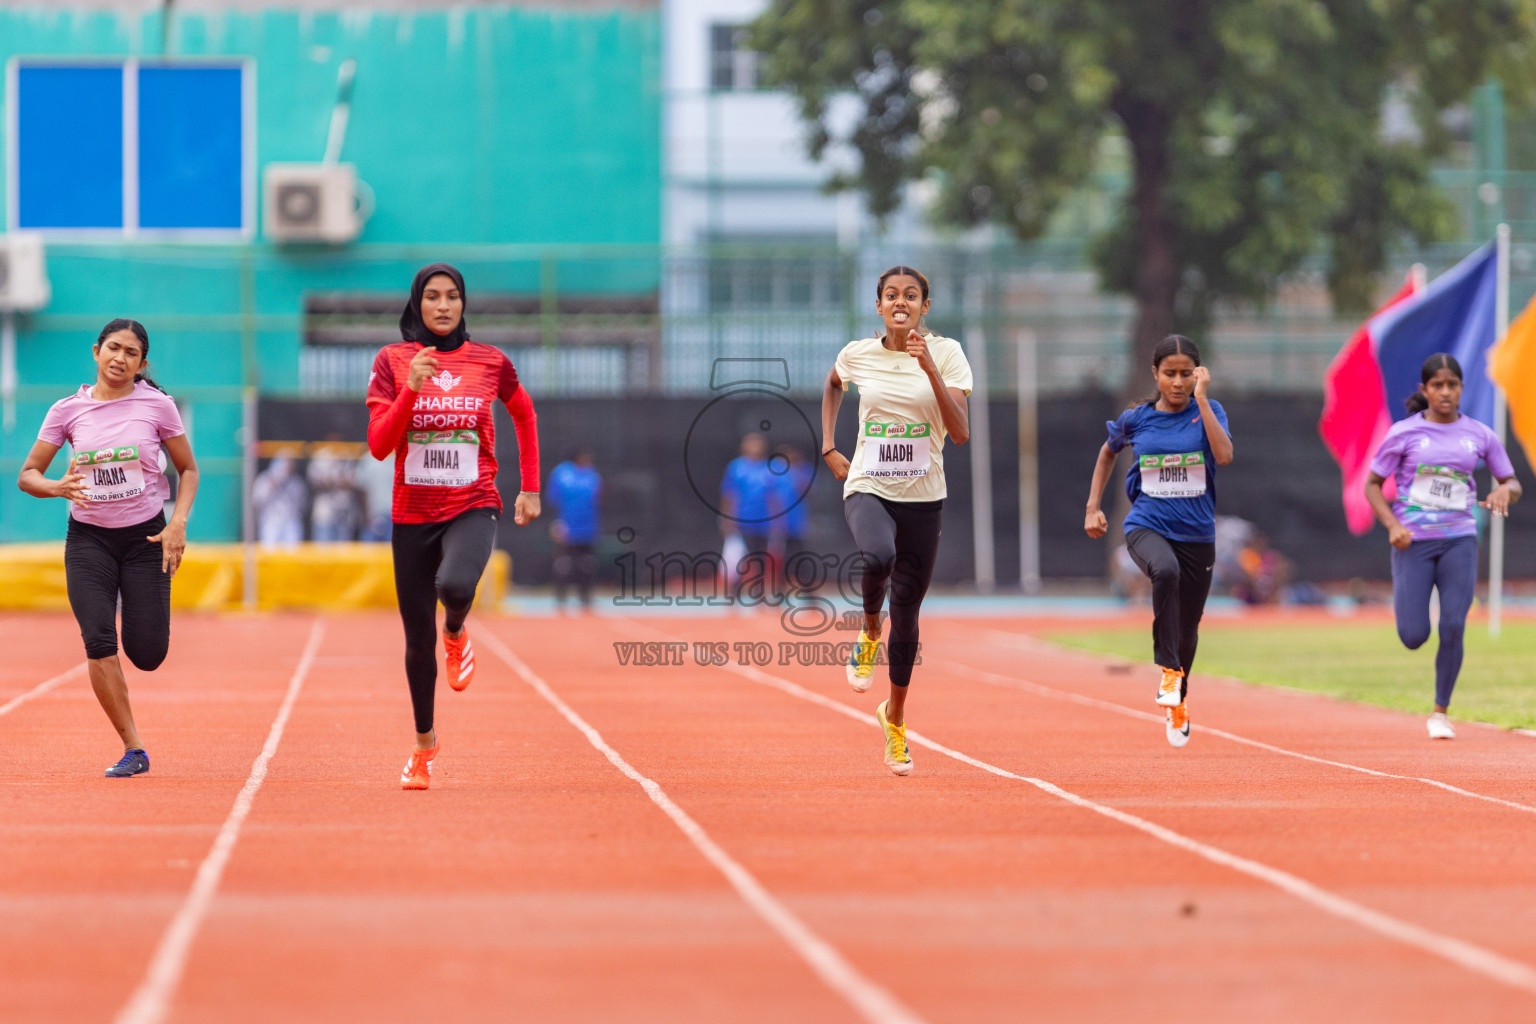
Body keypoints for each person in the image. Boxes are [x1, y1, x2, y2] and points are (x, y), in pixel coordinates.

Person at [366, 263, 541, 790]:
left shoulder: (490, 361)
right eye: (433, 297)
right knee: (416, 642)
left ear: (464, 305)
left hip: (473, 502)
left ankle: (458, 630)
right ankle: (424, 746)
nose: (443, 306)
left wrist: (529, 487)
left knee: (456, 586)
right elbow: (378, 445)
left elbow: (524, 413)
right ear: (417, 304)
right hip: (411, 514)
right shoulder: (393, 361)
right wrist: (410, 392)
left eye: (453, 297)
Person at [17, 318, 199, 777]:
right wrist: (57, 487)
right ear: (96, 352)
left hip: (145, 539)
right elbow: (28, 474)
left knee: (148, 653)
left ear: (142, 363)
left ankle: (144, 654)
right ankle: (133, 747)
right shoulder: (66, 411)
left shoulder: (158, 406)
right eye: (113, 348)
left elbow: (189, 470)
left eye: (131, 353)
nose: (120, 358)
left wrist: (177, 524)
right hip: (88, 540)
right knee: (98, 641)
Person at [822, 265, 972, 775]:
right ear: (880, 305)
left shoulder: (947, 353)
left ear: (924, 307)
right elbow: (833, 383)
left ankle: (896, 719)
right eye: (891, 295)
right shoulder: (857, 353)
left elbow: (960, 433)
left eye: (911, 295)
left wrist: (929, 366)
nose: (901, 301)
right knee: (877, 556)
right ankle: (867, 631)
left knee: (907, 615)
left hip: (925, 498)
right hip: (869, 485)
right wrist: (828, 446)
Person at [1084, 335, 1233, 749]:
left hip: (1197, 535)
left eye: (1187, 374)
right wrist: (1092, 506)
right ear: (1156, 374)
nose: (1179, 382)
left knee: (1189, 629)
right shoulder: (1138, 418)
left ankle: (1178, 697)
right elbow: (1107, 453)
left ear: (1198, 374)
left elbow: (1223, 456)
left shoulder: (1211, 411)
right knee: (1163, 571)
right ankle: (1168, 671)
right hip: (1147, 525)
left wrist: (1203, 402)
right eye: (1170, 374)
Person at [1365, 353, 1520, 740]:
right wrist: (1392, 525)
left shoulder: (1480, 434)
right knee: (1414, 636)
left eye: (1453, 384)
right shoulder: (1404, 433)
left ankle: (1440, 712)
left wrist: (1504, 490)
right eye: (1438, 385)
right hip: (1413, 541)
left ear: (1462, 388)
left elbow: (1513, 482)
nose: (1446, 392)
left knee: (1453, 624)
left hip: (1460, 539)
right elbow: (1372, 484)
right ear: (1425, 390)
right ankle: (1411, 612)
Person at [720, 433, 776, 603]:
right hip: (743, 519)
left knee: (760, 558)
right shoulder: (736, 467)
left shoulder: (769, 468)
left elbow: (774, 496)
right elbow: (729, 494)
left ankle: (759, 593)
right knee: (741, 557)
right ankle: (734, 591)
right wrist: (727, 518)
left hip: (764, 521)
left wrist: (776, 520)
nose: (755, 448)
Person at [547, 448, 602, 611]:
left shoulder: (592, 474)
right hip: (567, 527)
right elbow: (552, 499)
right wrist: (556, 523)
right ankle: (561, 598)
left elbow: (597, 499)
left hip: (588, 528)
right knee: (564, 564)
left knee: (587, 563)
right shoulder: (560, 473)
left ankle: (586, 597)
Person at [252, 454, 306, 546]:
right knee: (269, 554)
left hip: (290, 522)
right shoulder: (265, 479)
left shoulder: (296, 482)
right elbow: (257, 501)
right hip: (270, 522)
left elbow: (302, 504)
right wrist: (272, 486)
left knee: (293, 556)